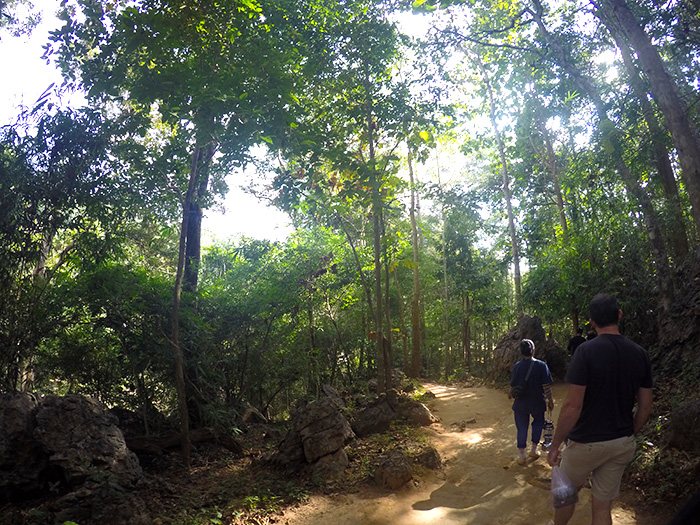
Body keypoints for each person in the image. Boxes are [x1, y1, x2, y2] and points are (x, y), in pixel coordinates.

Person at [547, 293, 653, 525]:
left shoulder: (585, 352)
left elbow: (573, 406)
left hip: (585, 444)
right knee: (602, 506)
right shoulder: (640, 354)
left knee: (567, 497)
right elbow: (645, 406)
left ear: (592, 322)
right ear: (619, 315)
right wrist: (628, 432)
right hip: (621, 443)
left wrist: (555, 445)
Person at [509, 338, 554, 465]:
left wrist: (510, 393)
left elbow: (513, 385)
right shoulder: (541, 365)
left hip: (521, 403)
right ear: (533, 350)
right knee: (538, 423)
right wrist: (550, 400)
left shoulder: (518, 366)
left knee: (521, 427)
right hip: (537, 402)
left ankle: (522, 455)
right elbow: (546, 385)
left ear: (521, 352)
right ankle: (534, 450)